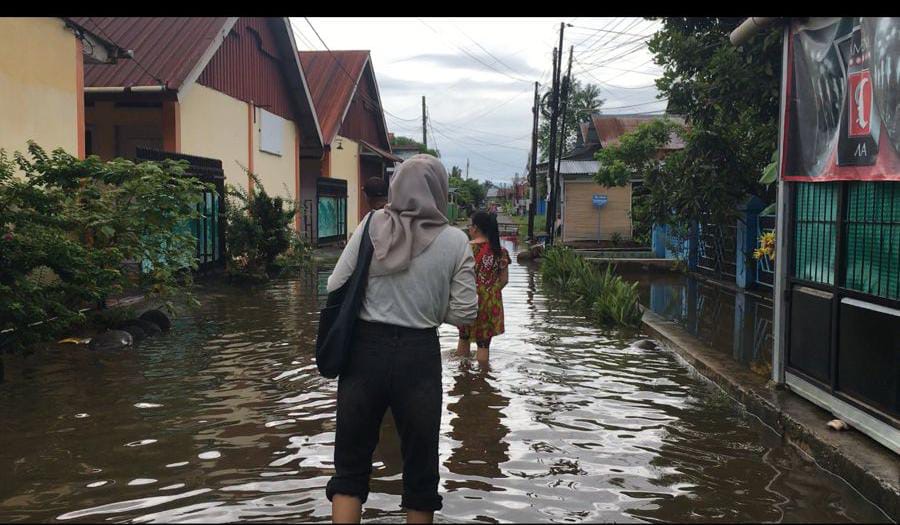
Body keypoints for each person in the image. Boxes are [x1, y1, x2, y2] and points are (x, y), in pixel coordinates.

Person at [325, 154, 477, 524]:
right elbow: (465, 313)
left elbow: (334, 285)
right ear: (440, 190)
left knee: (350, 468)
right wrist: (428, 306)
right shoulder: (456, 241)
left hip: (363, 354)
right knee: (421, 468)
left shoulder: (371, 224)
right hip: (419, 358)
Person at [457, 210, 510, 362]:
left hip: (467, 298)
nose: (469, 229)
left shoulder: (465, 248)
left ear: (475, 228)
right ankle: (483, 380)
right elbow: (504, 279)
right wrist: (490, 291)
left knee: (464, 337)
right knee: (483, 344)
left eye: (470, 226)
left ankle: (463, 379)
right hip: (490, 301)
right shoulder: (500, 251)